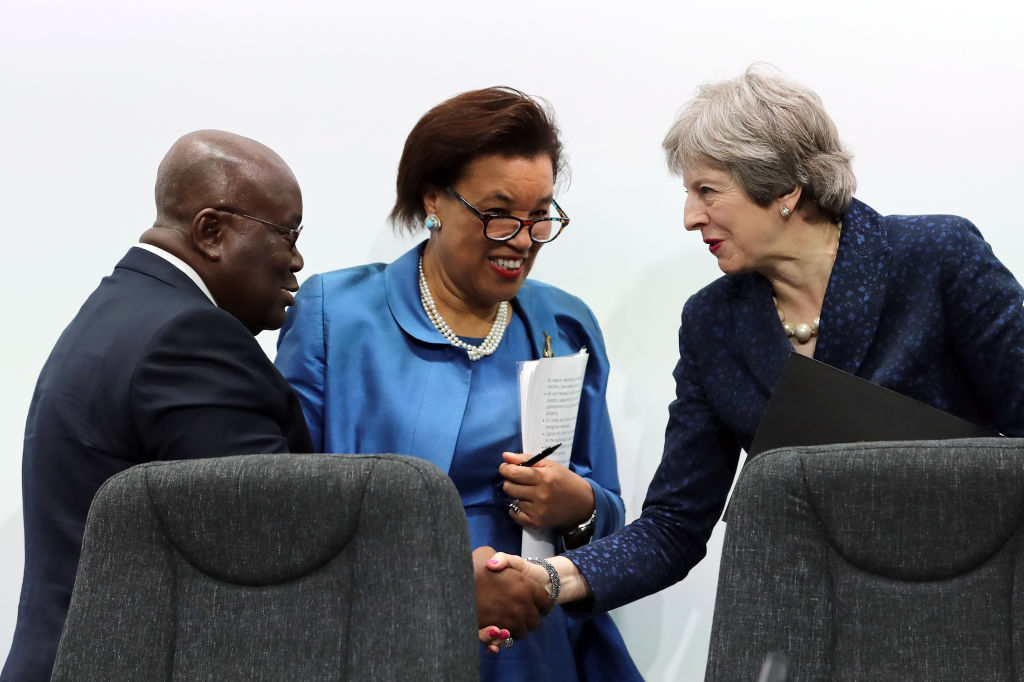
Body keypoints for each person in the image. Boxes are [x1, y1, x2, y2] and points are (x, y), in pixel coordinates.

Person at [486, 64, 1024, 619]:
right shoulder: (712, 321)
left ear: (784, 188)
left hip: (972, 607)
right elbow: (675, 525)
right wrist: (551, 577)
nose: (690, 217)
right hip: (809, 621)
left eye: (707, 191)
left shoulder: (938, 257)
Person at [275, 87, 641, 681]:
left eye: (540, 216)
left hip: (532, 641)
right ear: (434, 200)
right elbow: (285, 509)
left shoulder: (564, 323)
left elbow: (611, 520)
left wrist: (578, 507)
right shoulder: (335, 314)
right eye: (499, 213)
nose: (521, 239)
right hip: (381, 630)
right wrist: (442, 582)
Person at [2, 130, 315, 682]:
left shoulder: (118, 311)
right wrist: (435, 586)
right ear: (212, 231)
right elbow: (271, 546)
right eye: (288, 233)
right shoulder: (190, 338)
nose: (296, 259)